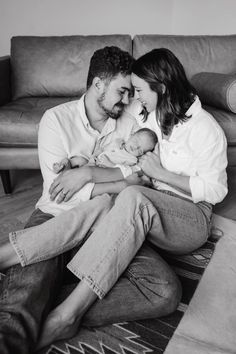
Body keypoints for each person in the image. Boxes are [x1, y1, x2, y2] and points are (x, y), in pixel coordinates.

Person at [1, 47, 228, 350]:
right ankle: (34, 298)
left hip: (155, 213)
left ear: (159, 88)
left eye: (136, 91)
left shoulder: (178, 125)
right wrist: (92, 173)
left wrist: (144, 175)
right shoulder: (65, 118)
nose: (132, 99)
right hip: (79, 215)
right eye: (127, 91)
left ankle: (65, 312)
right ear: (98, 85)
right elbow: (63, 188)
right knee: (25, 296)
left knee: (130, 203)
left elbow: (201, 188)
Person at [53, 127, 158, 179]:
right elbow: (103, 149)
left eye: (140, 150)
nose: (135, 147)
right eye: (136, 141)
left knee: (82, 172)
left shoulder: (132, 160)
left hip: (103, 172)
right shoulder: (117, 142)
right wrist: (95, 155)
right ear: (131, 135)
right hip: (94, 161)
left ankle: (67, 173)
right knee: (79, 160)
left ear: (141, 154)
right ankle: (63, 165)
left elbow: (123, 171)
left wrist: (111, 165)